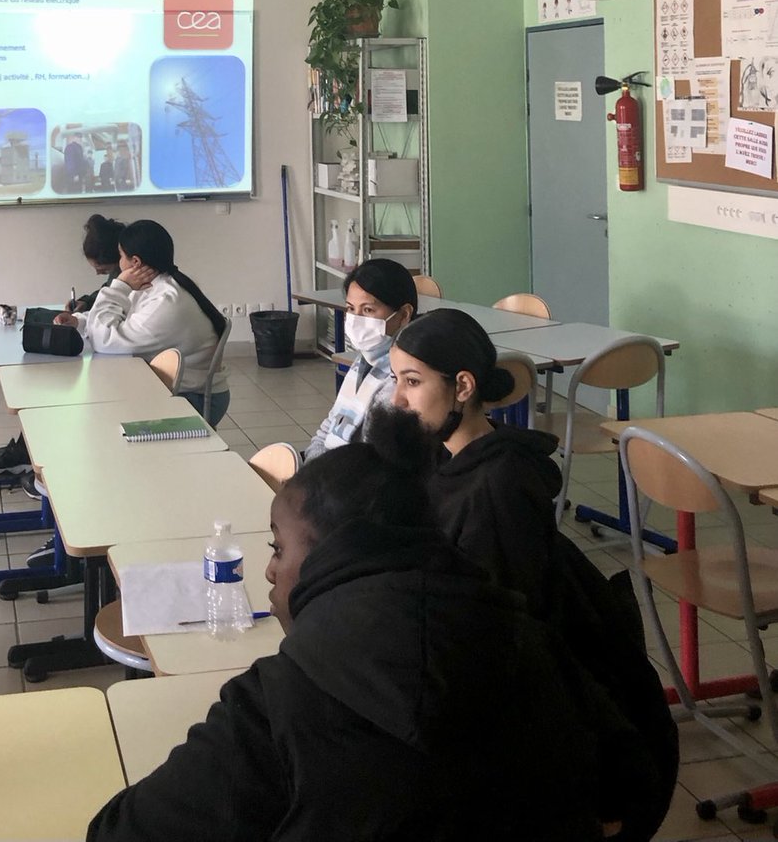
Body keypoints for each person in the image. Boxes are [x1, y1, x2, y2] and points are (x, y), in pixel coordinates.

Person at [87, 412, 612, 841]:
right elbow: (625, 788)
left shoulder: (277, 700)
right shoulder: (526, 636)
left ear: (334, 550)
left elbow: (121, 832)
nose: (270, 569)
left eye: (278, 547)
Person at [375, 308, 678, 842]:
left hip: (554, 732)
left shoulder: (495, 492)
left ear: (463, 386)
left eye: (413, 382)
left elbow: (507, 650)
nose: (398, 399)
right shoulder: (448, 458)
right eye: (397, 380)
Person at [56, 219, 229, 425]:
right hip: (176, 388)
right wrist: (79, 321)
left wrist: (118, 285)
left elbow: (105, 340)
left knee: (101, 417)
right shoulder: (157, 284)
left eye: (120, 256)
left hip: (194, 398)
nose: (119, 264)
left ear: (135, 262)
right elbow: (122, 318)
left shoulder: (166, 303)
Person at [303, 258, 417, 462]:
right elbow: (327, 429)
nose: (355, 320)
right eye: (350, 309)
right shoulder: (364, 361)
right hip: (332, 471)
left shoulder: (401, 380)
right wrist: (314, 468)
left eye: (368, 310)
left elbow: (372, 462)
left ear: (403, 315)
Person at [65, 214, 124, 314]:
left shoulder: (134, 280)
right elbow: (107, 289)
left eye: (104, 270)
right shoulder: (117, 271)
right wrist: (86, 302)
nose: (98, 273)